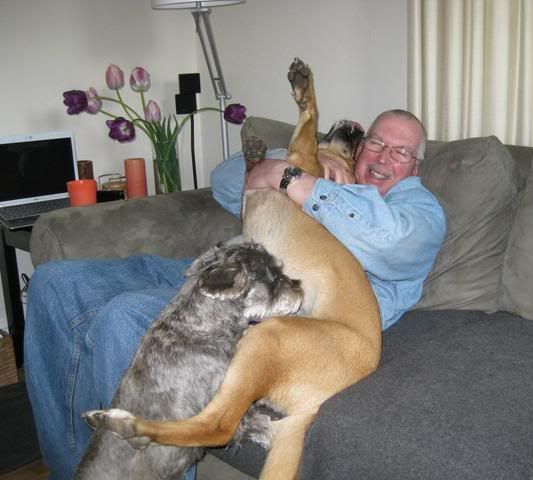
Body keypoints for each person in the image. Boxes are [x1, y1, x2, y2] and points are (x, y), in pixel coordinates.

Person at [24, 109, 446, 479]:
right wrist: (283, 164)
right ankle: (71, 469)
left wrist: (298, 182)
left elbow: (389, 243)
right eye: (377, 143)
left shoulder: (420, 209)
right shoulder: (326, 167)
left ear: (416, 168)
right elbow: (224, 181)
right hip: (220, 267)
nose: (384, 157)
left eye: (401, 152)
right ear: (361, 146)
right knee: (55, 283)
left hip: (274, 306)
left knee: (125, 316)